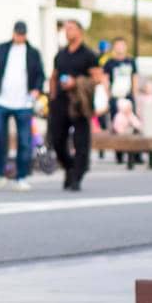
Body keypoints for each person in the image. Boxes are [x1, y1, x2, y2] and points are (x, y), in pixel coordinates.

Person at [0, 20, 44, 192]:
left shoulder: (33, 53)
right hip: (2, 101)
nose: (19, 37)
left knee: (24, 142)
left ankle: (21, 177)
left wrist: (36, 89)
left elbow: (40, 75)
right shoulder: (2, 48)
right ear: (13, 33)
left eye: (22, 34)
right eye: (17, 33)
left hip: (23, 103)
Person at [49, 19, 100, 192]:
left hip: (80, 103)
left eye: (71, 29)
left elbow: (98, 78)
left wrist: (76, 82)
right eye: (66, 29)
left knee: (81, 142)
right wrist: (52, 97)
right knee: (57, 140)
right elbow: (54, 76)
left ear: (79, 31)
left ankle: (77, 175)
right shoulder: (61, 54)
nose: (67, 32)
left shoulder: (88, 55)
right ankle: (69, 167)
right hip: (61, 102)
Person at [101, 37, 138, 117]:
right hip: (114, 95)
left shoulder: (131, 61)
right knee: (115, 118)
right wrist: (108, 94)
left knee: (132, 117)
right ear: (113, 47)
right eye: (117, 45)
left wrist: (134, 92)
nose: (120, 48)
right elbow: (105, 79)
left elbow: (134, 77)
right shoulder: (109, 63)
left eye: (122, 45)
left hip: (128, 94)